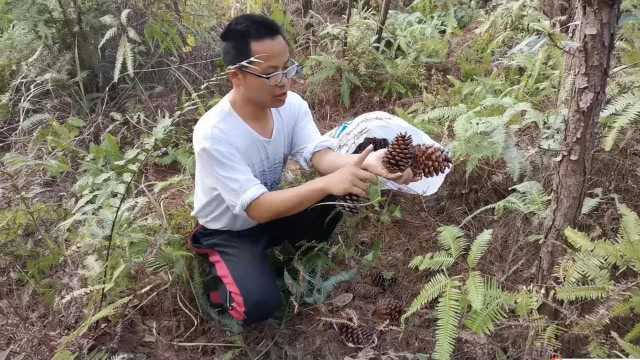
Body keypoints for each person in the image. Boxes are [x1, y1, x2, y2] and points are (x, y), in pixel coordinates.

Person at [189, 14, 413, 325]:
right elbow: (258, 208)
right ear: (236, 76)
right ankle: (222, 281)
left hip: (274, 212)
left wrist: (368, 163)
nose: (284, 81)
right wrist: (328, 183)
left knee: (339, 191)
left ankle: (290, 253)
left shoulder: (291, 106)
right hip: (229, 231)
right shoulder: (214, 134)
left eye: (287, 68)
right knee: (259, 307)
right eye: (270, 74)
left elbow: (319, 156)